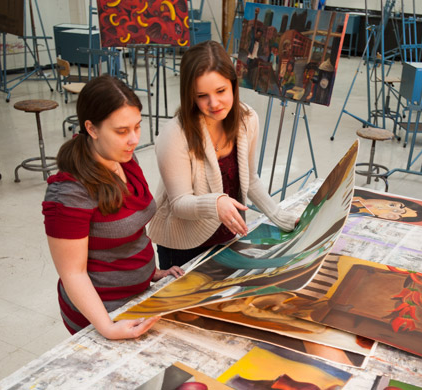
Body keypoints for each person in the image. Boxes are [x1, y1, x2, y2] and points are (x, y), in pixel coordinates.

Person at [42, 75, 184, 339]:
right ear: (92, 129)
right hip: (100, 312)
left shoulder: (124, 161)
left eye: (137, 127)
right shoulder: (70, 192)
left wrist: (151, 273)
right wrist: (106, 326)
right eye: (121, 131)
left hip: (137, 295)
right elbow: (73, 273)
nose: (134, 139)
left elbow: (131, 229)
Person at [149, 40, 298, 269]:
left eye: (221, 91)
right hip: (183, 245)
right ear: (190, 95)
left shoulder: (247, 119)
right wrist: (216, 203)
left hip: (227, 237)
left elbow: (249, 179)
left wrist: (279, 216)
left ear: (233, 84)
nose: (214, 103)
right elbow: (179, 203)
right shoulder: (174, 134)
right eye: (202, 96)